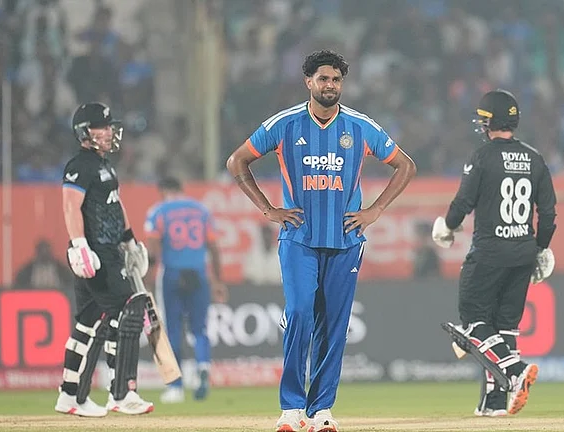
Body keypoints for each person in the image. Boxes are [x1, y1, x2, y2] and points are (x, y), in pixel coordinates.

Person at [226, 49, 416, 432]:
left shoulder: (360, 126)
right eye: (324, 79)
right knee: (299, 312)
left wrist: (375, 210)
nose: (330, 85)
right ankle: (291, 408)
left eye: (336, 80)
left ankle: (321, 410)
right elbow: (237, 161)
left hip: (346, 241)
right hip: (299, 237)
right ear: (308, 82)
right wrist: (268, 209)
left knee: (334, 326)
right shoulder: (285, 124)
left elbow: (405, 166)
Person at [432, 89, 557, 417]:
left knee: (474, 323)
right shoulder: (535, 158)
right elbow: (548, 213)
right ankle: (495, 402)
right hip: (523, 252)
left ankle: (515, 372)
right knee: (504, 329)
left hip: (489, 252)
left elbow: (463, 202)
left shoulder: (483, 156)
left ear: (488, 121)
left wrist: (448, 227)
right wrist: (541, 248)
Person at [55, 102, 154, 417]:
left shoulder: (104, 165)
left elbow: (115, 204)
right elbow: (70, 206)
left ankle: (71, 394)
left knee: (88, 323)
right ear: (85, 132)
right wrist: (79, 245)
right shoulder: (80, 165)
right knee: (129, 310)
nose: (111, 132)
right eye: (104, 126)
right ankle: (121, 392)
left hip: (110, 249)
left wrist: (130, 241)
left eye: (111, 126)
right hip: (95, 254)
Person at [143, 176, 228, 404]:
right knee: (199, 329)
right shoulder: (201, 211)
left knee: (172, 331)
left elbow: (153, 250)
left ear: (163, 191)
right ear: (181, 189)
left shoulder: (158, 212)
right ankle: (203, 367)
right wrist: (218, 282)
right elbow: (214, 247)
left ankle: (175, 386)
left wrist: (146, 281)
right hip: (198, 274)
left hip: (172, 274)